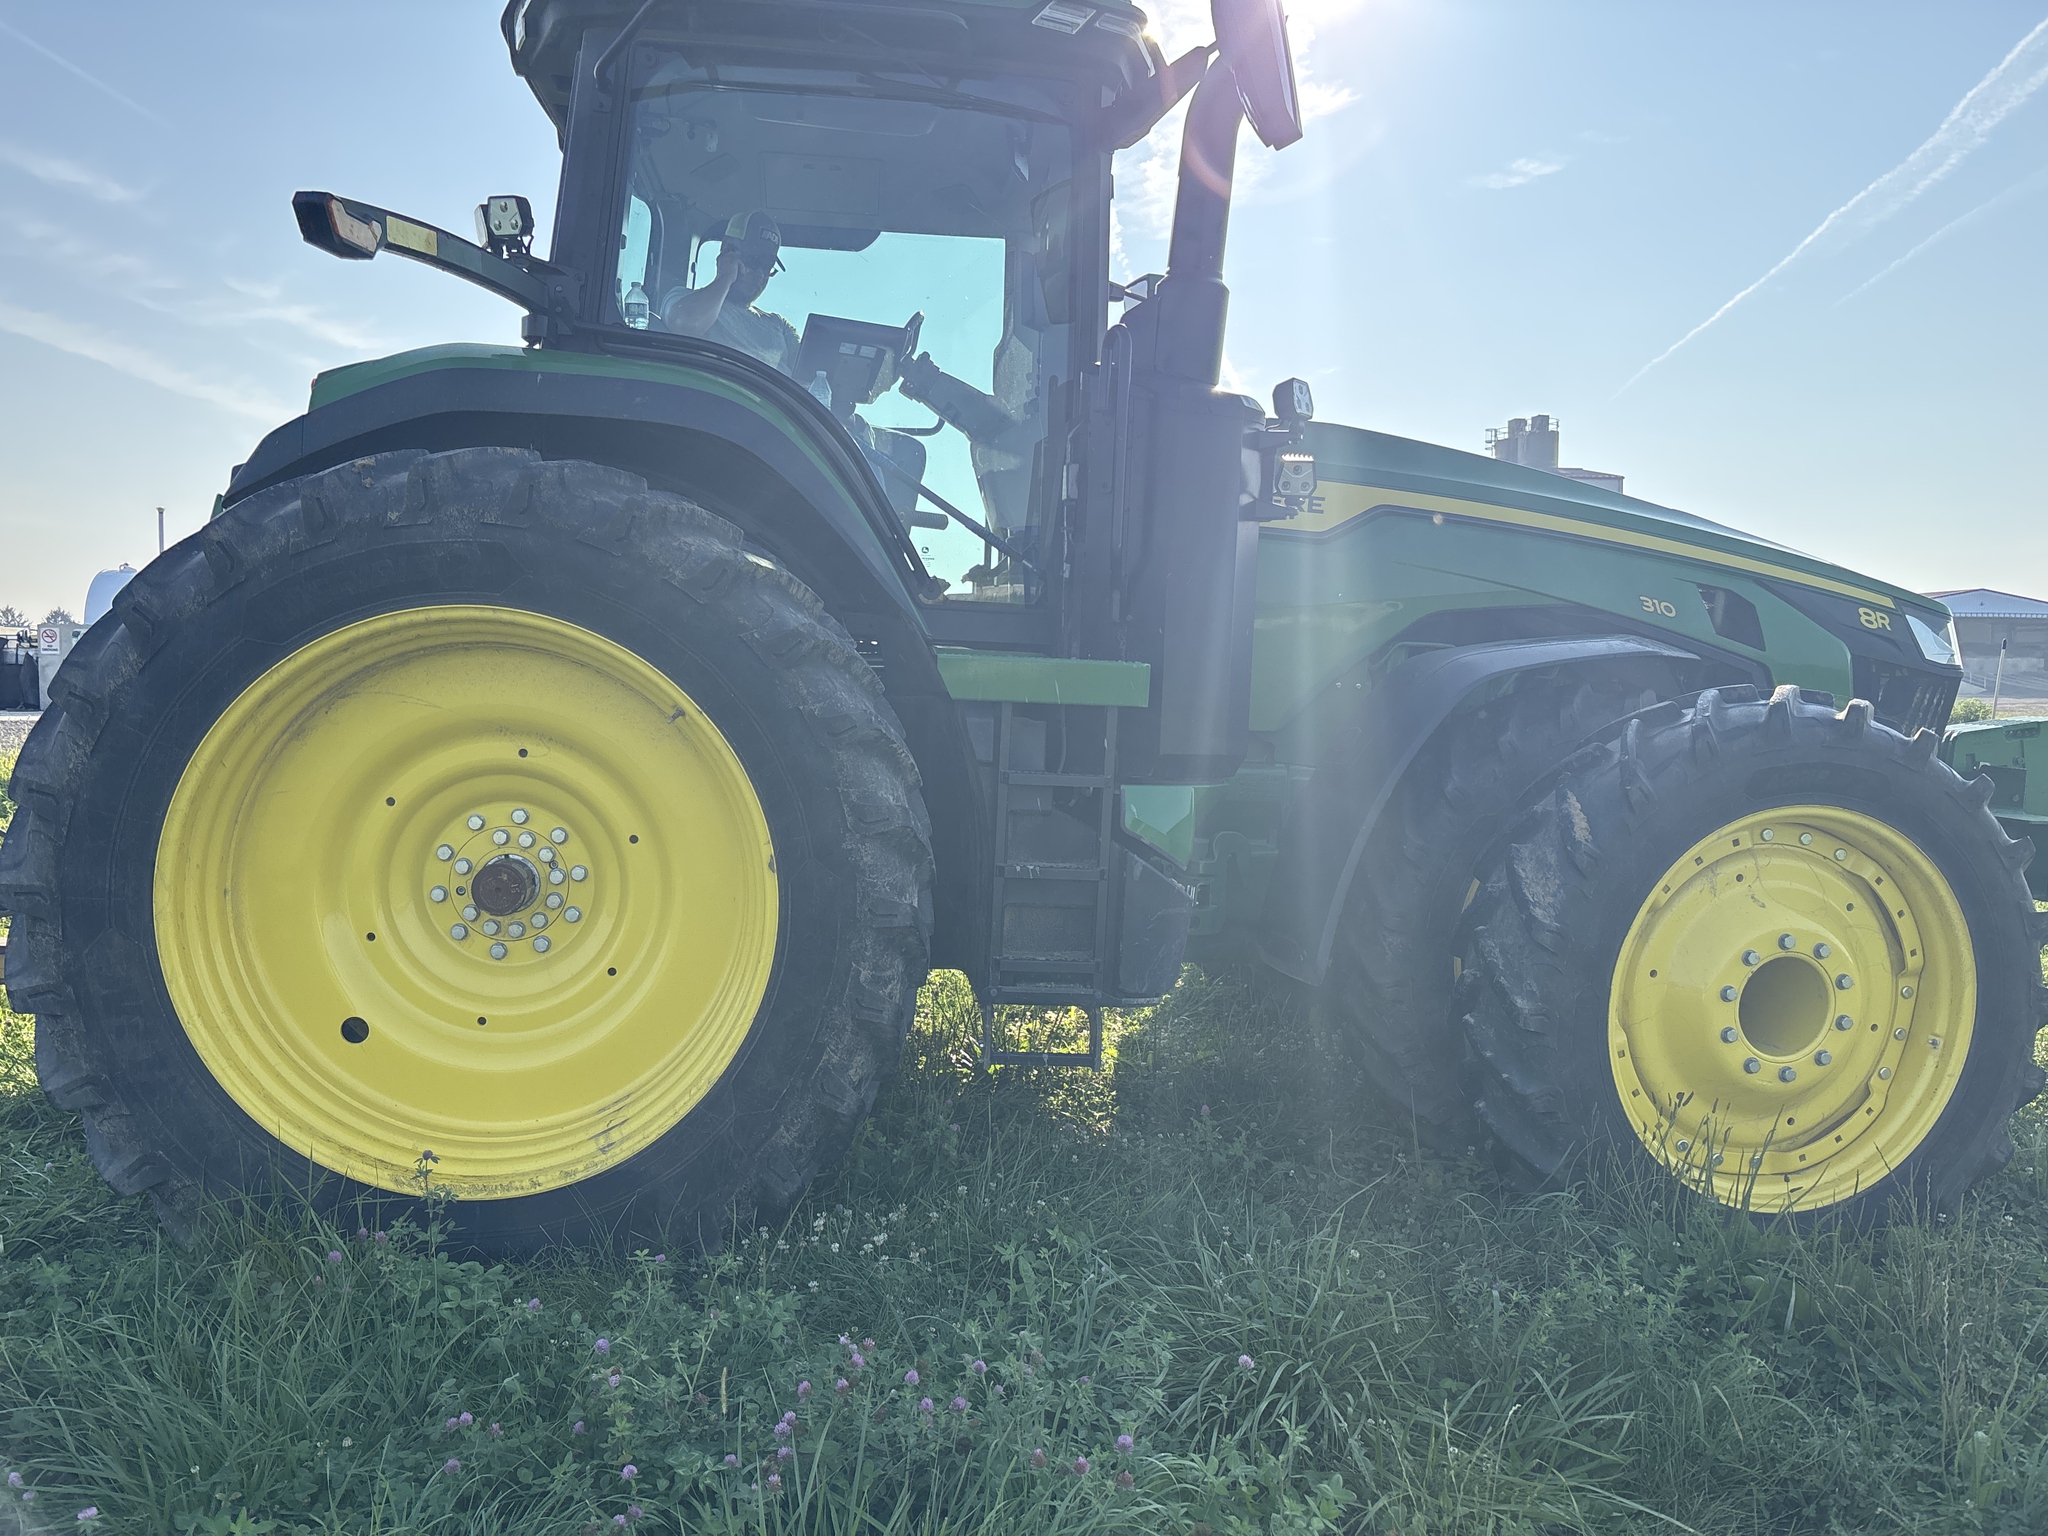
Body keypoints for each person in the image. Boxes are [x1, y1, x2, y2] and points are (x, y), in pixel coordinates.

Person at [657, 211, 800, 375]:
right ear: (726, 251)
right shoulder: (682, 300)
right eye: (754, 260)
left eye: (767, 265)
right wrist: (725, 277)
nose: (760, 273)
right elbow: (686, 323)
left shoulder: (779, 325)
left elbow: (812, 368)